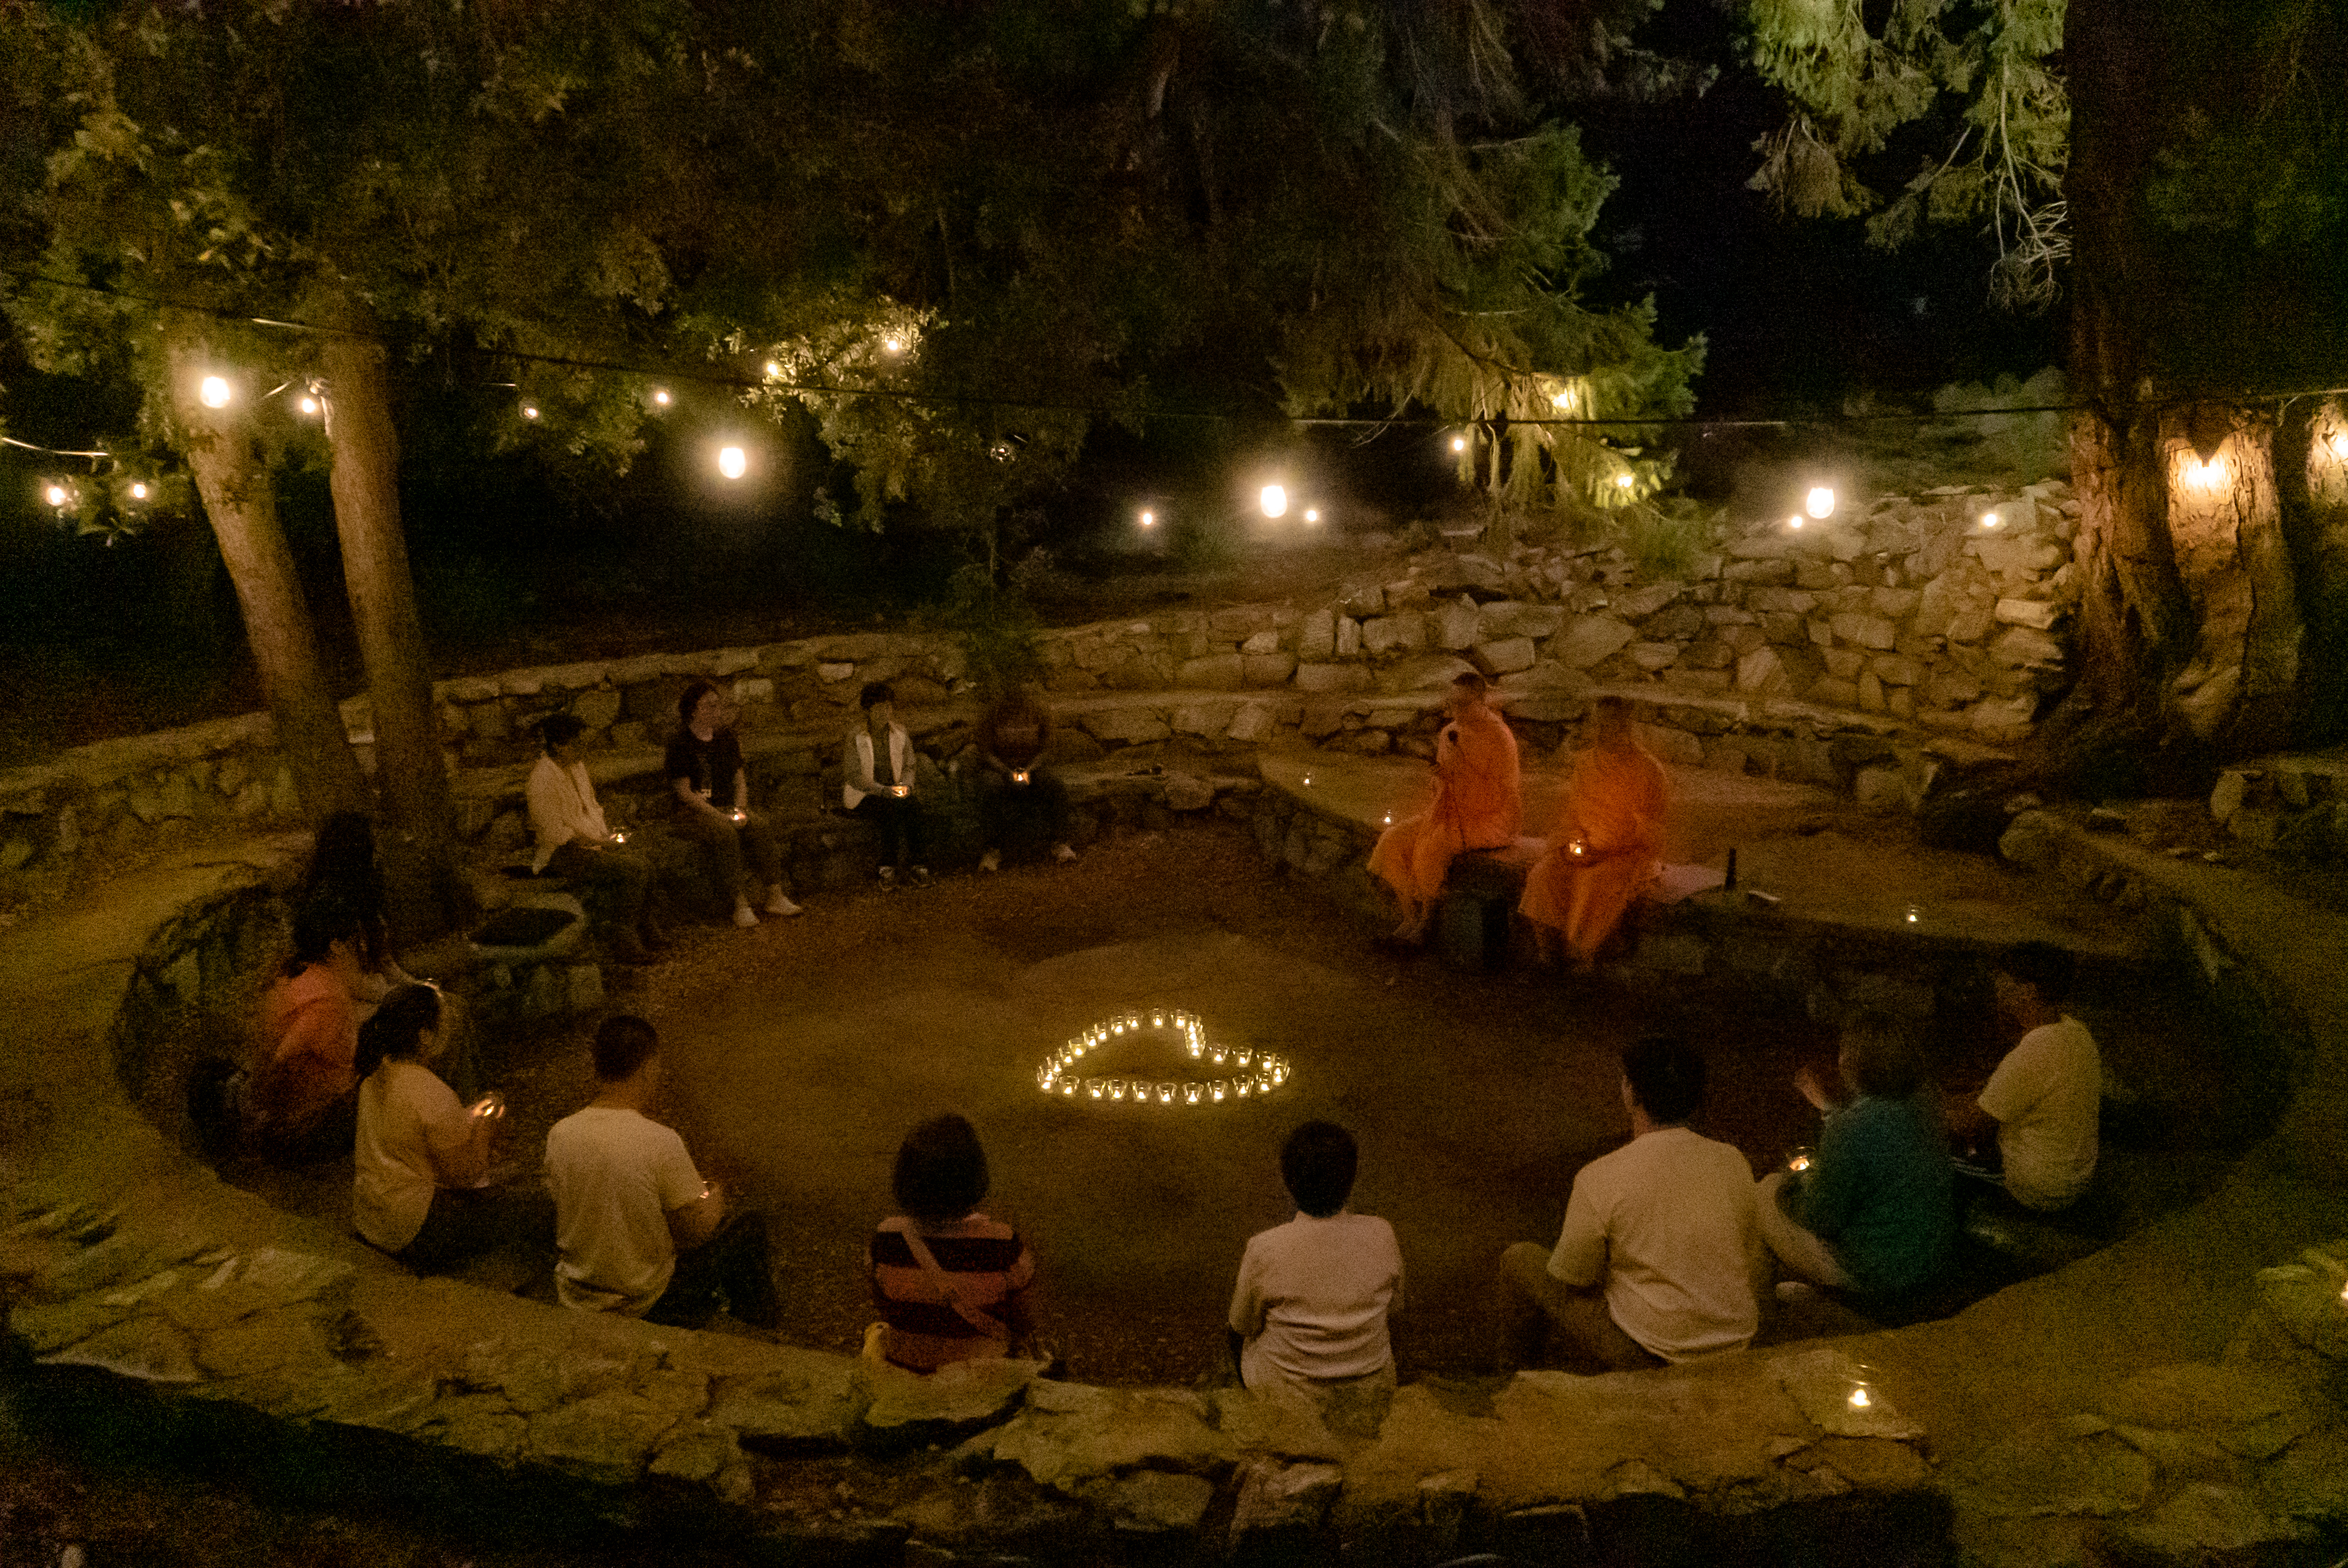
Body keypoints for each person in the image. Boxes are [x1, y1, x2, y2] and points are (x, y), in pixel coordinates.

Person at [1499, 1035, 1767, 1371]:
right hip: (1736, 1343)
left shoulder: (1600, 1176)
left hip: (1650, 1352)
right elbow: (1747, 1249)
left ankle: (1513, 1380)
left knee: (1520, 1260)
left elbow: (1573, 1277)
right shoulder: (1732, 1161)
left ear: (1631, 1093)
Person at [544, 1015, 779, 1328]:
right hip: (643, 1301)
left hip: (576, 1294)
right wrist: (716, 1196)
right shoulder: (659, 1141)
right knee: (748, 1227)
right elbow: (696, 1230)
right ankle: (760, 1332)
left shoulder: (560, 1134)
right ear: (645, 1069)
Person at [1756, 1013, 1955, 1298]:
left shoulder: (1851, 1128)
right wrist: (1829, 1109)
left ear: (1852, 1064)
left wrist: (1801, 1180)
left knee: (1766, 1191)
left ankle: (1774, 1301)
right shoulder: (1927, 1101)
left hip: (1880, 1272)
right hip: (1931, 1258)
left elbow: (1821, 1217)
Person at [352, 983, 541, 1272]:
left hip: (371, 1216)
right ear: (425, 1037)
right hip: (413, 1229)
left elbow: (413, 1138)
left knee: (510, 1180)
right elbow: (465, 1175)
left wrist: (466, 1116)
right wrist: (486, 1123)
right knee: (536, 1205)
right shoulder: (429, 1091)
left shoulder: (374, 1079)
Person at [1228, 1121, 1405, 1405]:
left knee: (1235, 1339)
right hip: (1372, 1388)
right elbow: (1394, 1311)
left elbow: (1241, 1326)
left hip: (1289, 1395)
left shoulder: (1265, 1248)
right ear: (1352, 1177)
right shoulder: (1382, 1234)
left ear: (1288, 1181)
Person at [865, 1114, 1039, 1372]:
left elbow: (886, 1305)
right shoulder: (1003, 1245)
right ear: (975, 1177)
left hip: (902, 1372)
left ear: (903, 1178)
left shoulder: (886, 1240)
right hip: (981, 1378)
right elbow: (1024, 1318)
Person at [1367, 672, 1522, 944]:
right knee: (1392, 841)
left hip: (1488, 819)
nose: (1455, 711)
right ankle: (1409, 918)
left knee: (1431, 847)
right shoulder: (1449, 733)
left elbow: (1504, 794)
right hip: (1447, 811)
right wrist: (1439, 780)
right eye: (1452, 704)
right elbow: (1442, 784)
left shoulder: (1499, 738)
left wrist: (1463, 776)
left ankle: (1426, 925)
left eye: (1463, 704)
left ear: (1481, 701)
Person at [1944, 943, 2101, 1212]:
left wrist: (1919, 1108)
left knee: (1929, 1157)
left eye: (2002, 980)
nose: (1995, 987)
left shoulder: (2036, 1049)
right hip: (2071, 1177)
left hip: (2037, 1188)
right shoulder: (2076, 1031)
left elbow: (1967, 1124)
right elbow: (2006, 1094)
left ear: (2026, 992)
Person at [1519, 696, 1671, 970]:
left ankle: (1582, 955)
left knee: (1594, 882)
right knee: (1543, 874)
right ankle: (1547, 951)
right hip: (1585, 846)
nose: (1602, 732)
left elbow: (1647, 834)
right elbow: (1575, 811)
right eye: (1598, 725)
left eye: (1610, 725)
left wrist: (1603, 853)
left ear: (1626, 727)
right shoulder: (1587, 762)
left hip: (1625, 855)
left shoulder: (1648, 771)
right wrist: (1575, 843)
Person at [239, 897, 370, 1165]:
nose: (363, 946)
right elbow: (280, 1057)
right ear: (336, 945)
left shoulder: (298, 972)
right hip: (311, 1125)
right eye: (356, 939)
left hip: (290, 1111)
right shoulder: (327, 1003)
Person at [529, 712, 663, 964]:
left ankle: (646, 925)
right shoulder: (542, 779)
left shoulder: (576, 768)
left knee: (645, 858)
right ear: (559, 745)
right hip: (563, 854)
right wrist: (602, 843)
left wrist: (605, 836)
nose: (583, 748)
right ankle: (624, 937)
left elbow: (591, 807)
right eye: (578, 742)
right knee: (633, 870)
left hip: (592, 843)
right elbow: (557, 833)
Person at [667, 679, 799, 927]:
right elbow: (684, 792)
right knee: (725, 834)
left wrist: (739, 809)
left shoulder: (725, 738)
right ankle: (739, 904)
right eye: (709, 705)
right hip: (694, 811)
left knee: (759, 826)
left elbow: (740, 780)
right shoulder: (680, 744)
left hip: (727, 806)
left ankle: (775, 895)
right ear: (693, 709)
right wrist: (720, 816)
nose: (717, 711)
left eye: (718, 705)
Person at [295, 811, 417, 1006]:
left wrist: (419, 989)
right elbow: (351, 982)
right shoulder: (329, 906)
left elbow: (386, 963)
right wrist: (404, 999)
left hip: (373, 993)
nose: (379, 853)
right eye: (373, 845)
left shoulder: (364, 895)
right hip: (341, 1003)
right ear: (356, 851)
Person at [972, 686, 1076, 872]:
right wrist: (1005, 770)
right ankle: (991, 851)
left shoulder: (1039, 712)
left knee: (1054, 785)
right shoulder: (992, 713)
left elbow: (1048, 747)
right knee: (991, 788)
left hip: (1032, 766)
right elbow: (985, 751)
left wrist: (1030, 769)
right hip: (999, 768)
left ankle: (1060, 843)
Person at [843, 681, 931, 888]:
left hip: (895, 790)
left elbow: (910, 765)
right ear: (868, 709)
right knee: (889, 810)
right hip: (865, 794)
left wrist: (906, 786)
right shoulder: (856, 736)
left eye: (888, 707)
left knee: (913, 807)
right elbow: (853, 774)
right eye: (879, 707)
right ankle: (887, 868)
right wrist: (882, 791)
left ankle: (919, 866)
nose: (885, 712)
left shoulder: (900, 733)